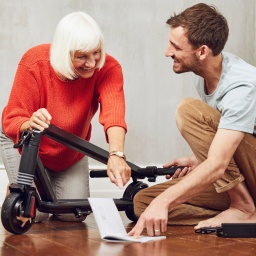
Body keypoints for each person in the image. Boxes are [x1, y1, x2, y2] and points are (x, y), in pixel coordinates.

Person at [129, 3, 256, 238]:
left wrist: (166, 201)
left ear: (202, 51)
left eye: (176, 46)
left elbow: (219, 163)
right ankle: (241, 213)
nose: (167, 52)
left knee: (188, 110)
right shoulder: (205, 76)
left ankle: (244, 209)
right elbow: (226, 143)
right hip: (247, 179)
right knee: (144, 203)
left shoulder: (242, 85)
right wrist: (198, 160)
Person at [0, 12, 131, 222]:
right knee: (36, 213)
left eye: (96, 52)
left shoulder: (108, 68)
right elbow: (12, 118)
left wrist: (116, 154)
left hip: (68, 149)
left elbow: (114, 112)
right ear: (64, 52)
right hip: (24, 141)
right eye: (82, 56)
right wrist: (30, 122)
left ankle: (41, 186)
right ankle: (20, 186)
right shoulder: (34, 62)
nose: (92, 63)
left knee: (73, 216)